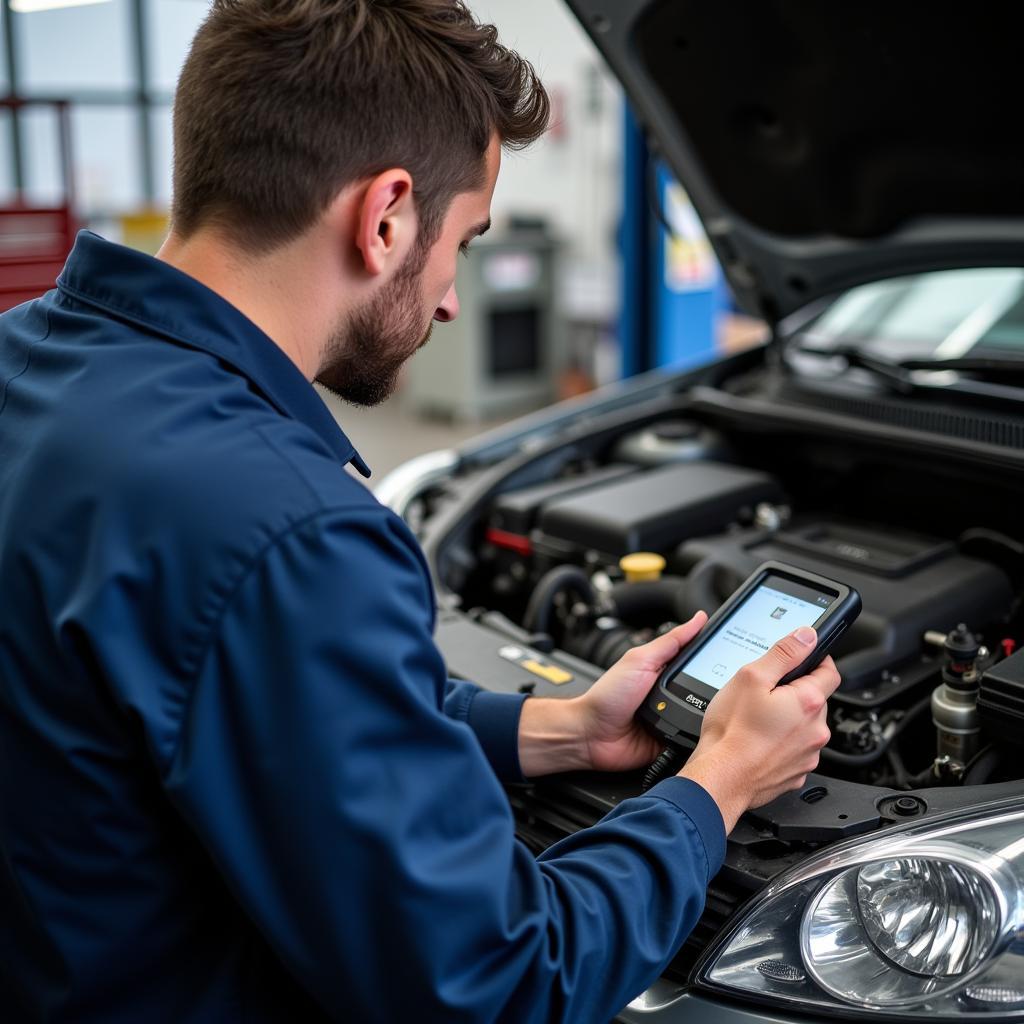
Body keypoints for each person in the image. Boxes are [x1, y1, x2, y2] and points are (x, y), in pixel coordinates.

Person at [0, 2, 838, 1021]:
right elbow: (496, 979)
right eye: (465, 241)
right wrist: (716, 785)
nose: (448, 300)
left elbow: (253, 716)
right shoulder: (289, 532)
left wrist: (557, 729)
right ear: (386, 214)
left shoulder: (28, 360)